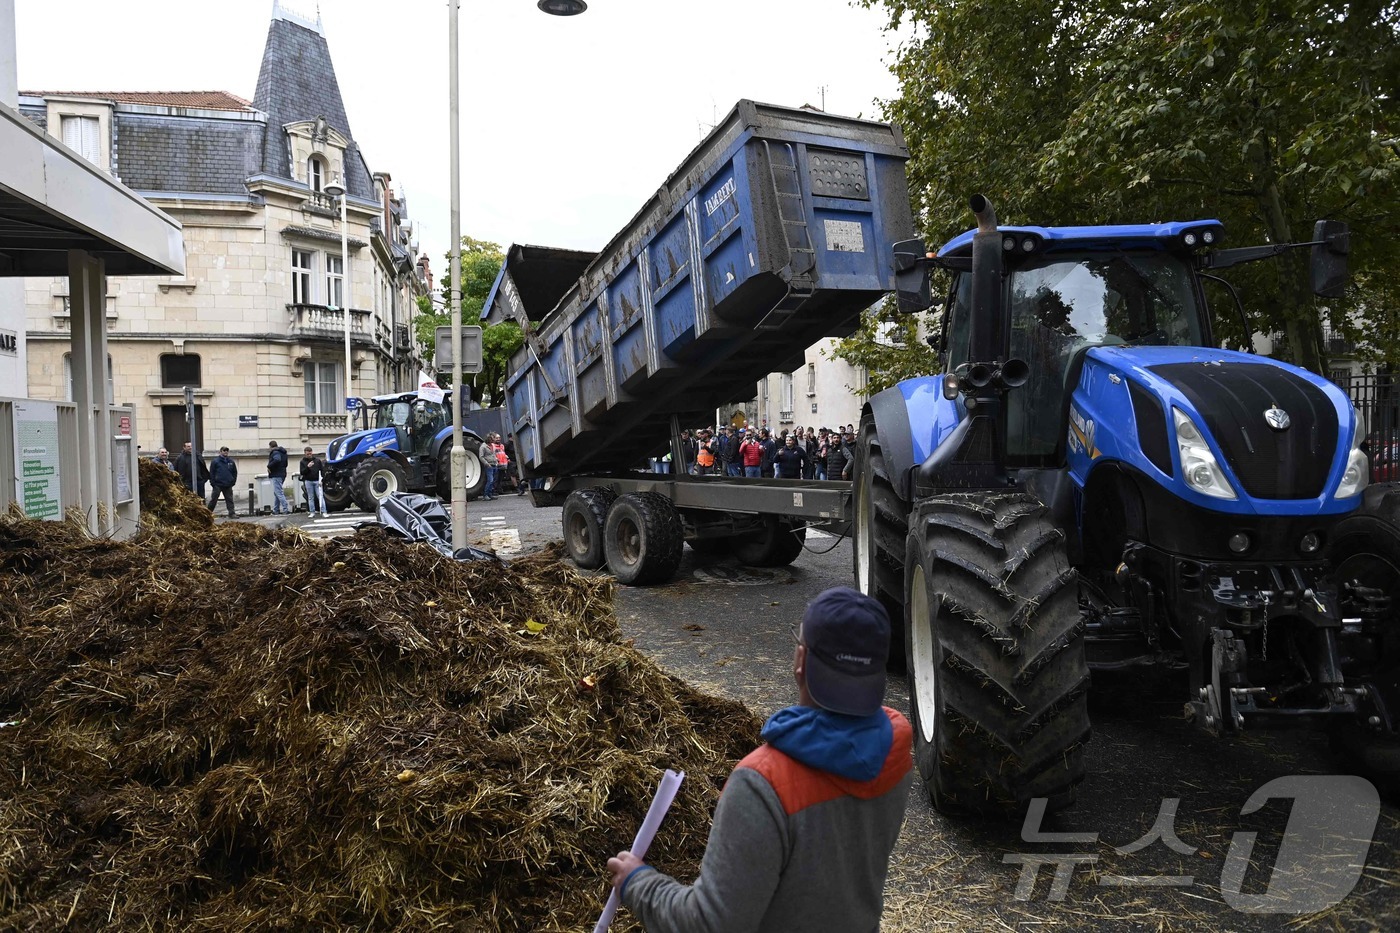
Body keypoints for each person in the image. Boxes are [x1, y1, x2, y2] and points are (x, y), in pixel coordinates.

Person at [607, 587, 911, 932]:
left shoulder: (762, 783)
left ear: (800, 660)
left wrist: (638, 882)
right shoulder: (895, 752)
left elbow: (709, 924)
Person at [207, 446, 238, 517]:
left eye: (227, 450)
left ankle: (232, 513)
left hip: (228, 484)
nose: (226, 452)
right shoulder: (215, 461)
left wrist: (233, 481)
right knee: (214, 499)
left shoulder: (231, 461)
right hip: (218, 484)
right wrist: (213, 483)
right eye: (224, 450)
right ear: (220, 452)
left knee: (229, 499)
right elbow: (212, 473)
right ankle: (208, 513)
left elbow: (234, 472)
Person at [300, 446, 328, 517]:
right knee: (310, 497)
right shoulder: (302, 462)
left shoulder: (317, 461)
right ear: (305, 453)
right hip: (308, 481)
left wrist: (322, 480)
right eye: (307, 454)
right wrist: (308, 467)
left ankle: (324, 511)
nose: (309, 455)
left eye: (310, 453)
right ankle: (312, 512)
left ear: (312, 453)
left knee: (320, 496)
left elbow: (322, 470)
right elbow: (302, 472)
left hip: (317, 481)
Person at [267, 440, 290, 514]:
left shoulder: (275, 452)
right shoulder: (283, 452)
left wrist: (269, 466)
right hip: (282, 473)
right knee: (277, 492)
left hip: (276, 474)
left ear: (271, 446)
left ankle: (285, 509)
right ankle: (276, 509)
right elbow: (286, 464)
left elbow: (277, 459)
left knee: (278, 492)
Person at [478, 434, 498, 500]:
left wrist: (496, 462)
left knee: (493, 480)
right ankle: (485, 495)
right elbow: (481, 456)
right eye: (493, 438)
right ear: (489, 439)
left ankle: (490, 494)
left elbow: (494, 454)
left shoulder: (492, 445)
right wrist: (486, 464)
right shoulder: (483, 446)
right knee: (490, 480)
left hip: (494, 464)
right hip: (489, 465)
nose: (494, 439)